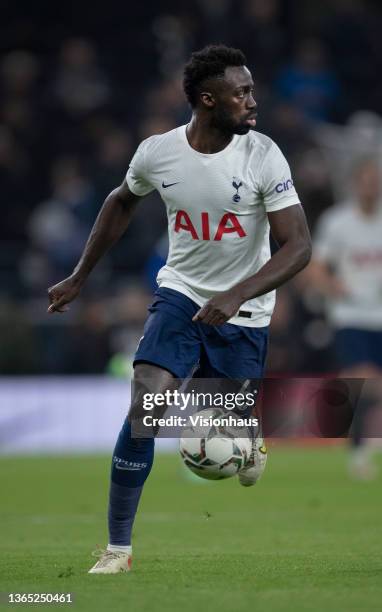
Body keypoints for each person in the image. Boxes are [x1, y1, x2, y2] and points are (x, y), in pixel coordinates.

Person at [47, 45, 311, 574]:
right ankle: (118, 548)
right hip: (182, 293)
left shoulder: (263, 155)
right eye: (242, 93)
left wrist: (238, 294)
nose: (253, 102)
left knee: (225, 436)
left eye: (252, 90)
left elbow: (299, 245)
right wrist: (80, 275)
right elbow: (121, 199)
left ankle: (244, 431)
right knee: (147, 399)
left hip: (245, 312)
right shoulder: (158, 153)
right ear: (208, 101)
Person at [309, 157, 382, 479]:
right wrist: (332, 286)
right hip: (351, 314)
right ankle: (359, 451)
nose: (372, 185)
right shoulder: (337, 222)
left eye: (375, 179)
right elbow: (317, 265)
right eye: (366, 179)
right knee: (365, 379)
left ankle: (362, 446)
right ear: (355, 183)